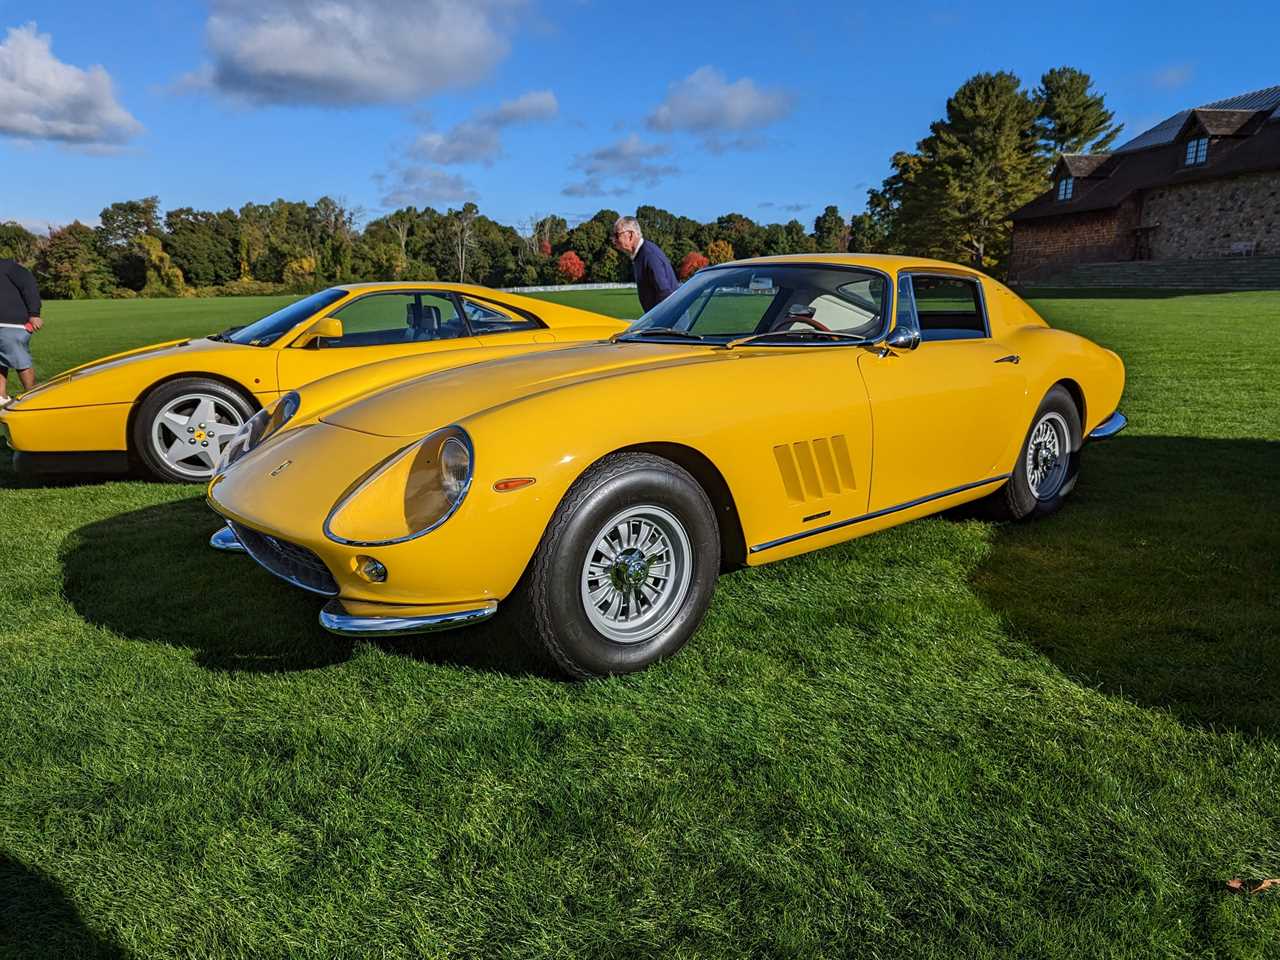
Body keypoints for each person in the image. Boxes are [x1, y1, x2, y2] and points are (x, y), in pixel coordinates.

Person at [611, 216, 678, 313]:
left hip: (670, 322)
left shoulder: (649, 255)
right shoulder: (640, 255)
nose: (614, 240)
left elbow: (666, 294)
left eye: (617, 235)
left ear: (630, 235)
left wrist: (660, 325)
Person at [0, 258, 43, 403]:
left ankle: (32, 396)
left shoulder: (8, 266)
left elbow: (29, 286)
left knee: (20, 361)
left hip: (12, 324)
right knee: (1, 360)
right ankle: (1, 396)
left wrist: (34, 314)